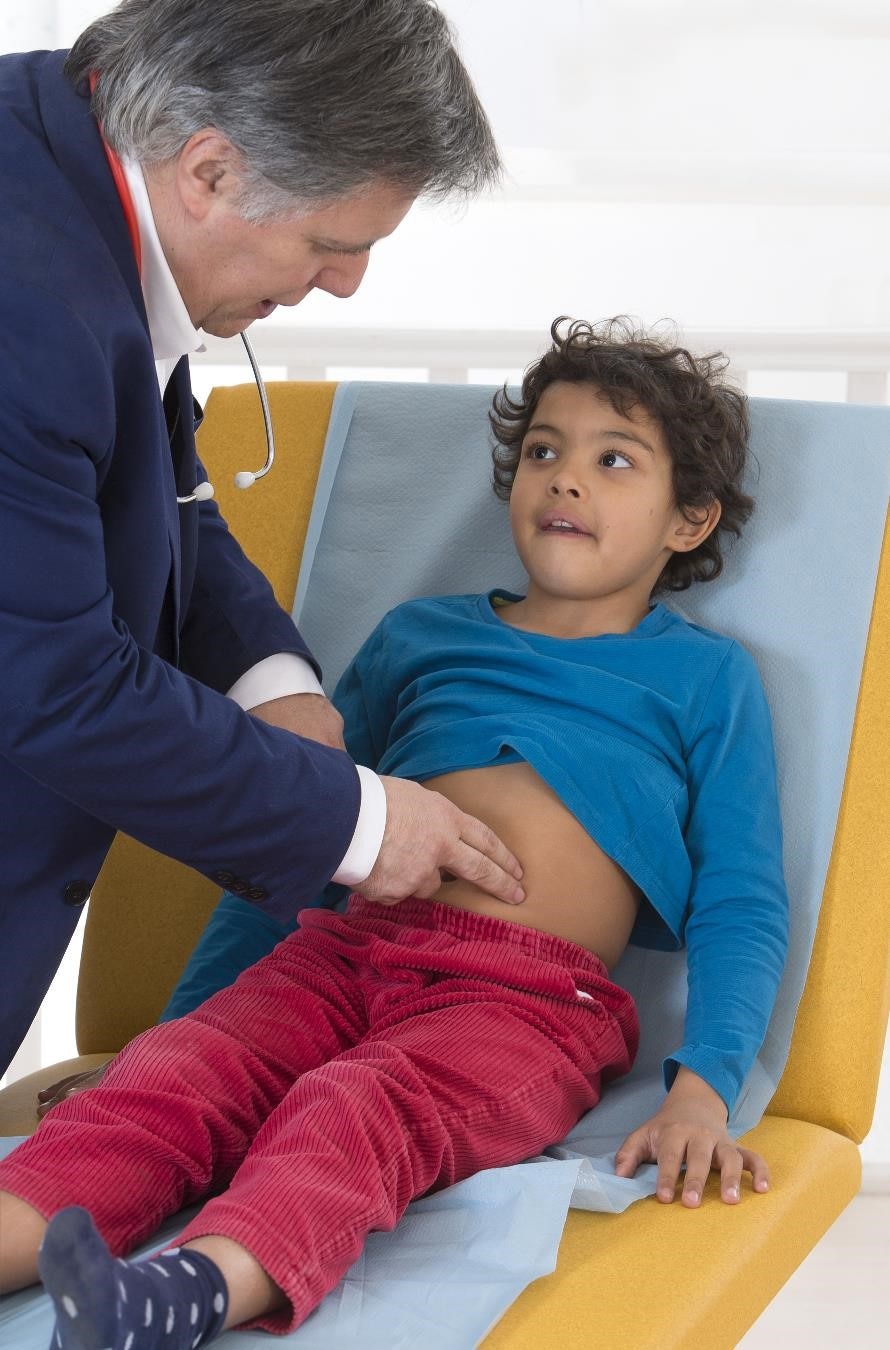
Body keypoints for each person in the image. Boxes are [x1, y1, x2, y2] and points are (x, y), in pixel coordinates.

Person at [0, 317, 788, 1348]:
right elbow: (299, 842)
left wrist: (704, 1092)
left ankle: (186, 1295)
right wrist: (176, 1023)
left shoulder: (704, 679)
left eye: (613, 461)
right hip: (340, 952)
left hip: (526, 999)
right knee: (178, 1078)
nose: (564, 480)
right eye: (542, 450)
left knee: (355, 1107)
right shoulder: (420, 635)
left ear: (688, 520)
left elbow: (740, 893)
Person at [0, 0, 524, 1079]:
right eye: (334, 245)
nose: (344, 283)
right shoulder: (25, 313)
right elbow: (51, 688)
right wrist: (366, 825)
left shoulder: (80, 144)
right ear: (210, 171)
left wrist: (271, 681)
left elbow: (154, 487)